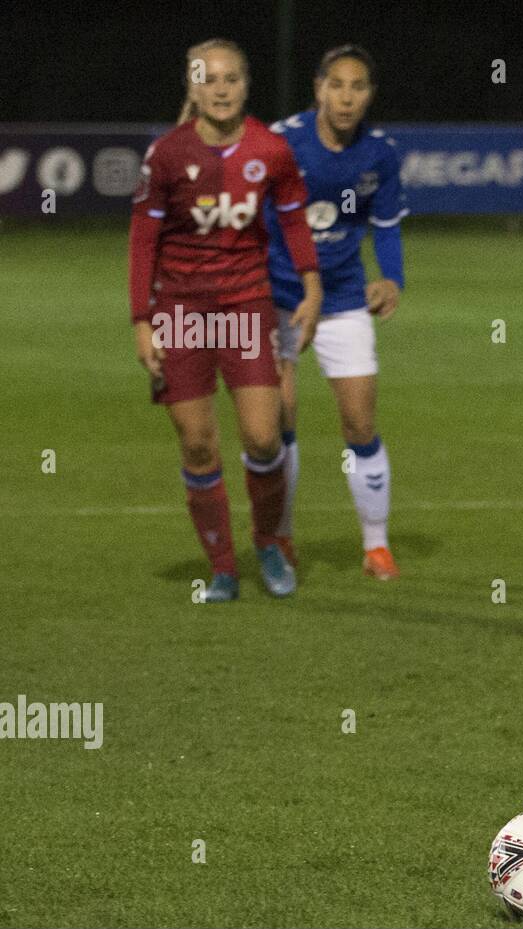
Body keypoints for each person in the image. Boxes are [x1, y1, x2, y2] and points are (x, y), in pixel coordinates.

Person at [129, 38, 321, 601]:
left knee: (264, 438)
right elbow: (143, 239)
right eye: (208, 78)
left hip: (244, 303)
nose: (220, 88)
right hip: (181, 312)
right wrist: (142, 320)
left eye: (231, 78)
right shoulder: (166, 154)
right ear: (192, 85)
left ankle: (267, 541)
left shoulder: (272, 149)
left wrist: (311, 286)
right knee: (197, 446)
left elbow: (293, 221)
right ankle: (222, 567)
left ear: (245, 84)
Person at [266, 44, 407, 579]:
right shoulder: (282, 143)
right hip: (278, 298)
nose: (347, 97)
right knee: (278, 420)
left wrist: (392, 278)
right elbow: (258, 223)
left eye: (358, 87)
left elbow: (387, 227)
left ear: (369, 95)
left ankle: (376, 546)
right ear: (319, 88)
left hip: (345, 298)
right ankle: (278, 538)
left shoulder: (379, 154)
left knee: (359, 421)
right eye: (337, 85)